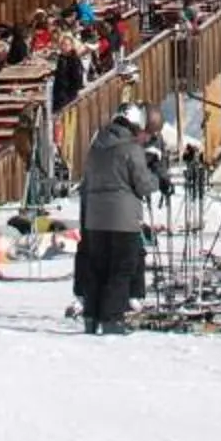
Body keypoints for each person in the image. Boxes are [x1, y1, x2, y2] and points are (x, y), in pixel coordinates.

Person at [74, 101, 165, 334]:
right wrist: (157, 176)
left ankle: (91, 317)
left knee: (97, 269)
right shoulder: (131, 149)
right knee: (121, 269)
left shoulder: (96, 147)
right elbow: (143, 185)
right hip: (123, 219)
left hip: (95, 219)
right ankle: (112, 318)